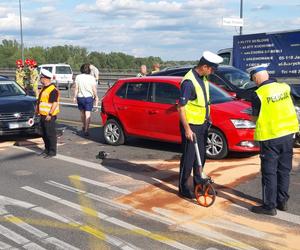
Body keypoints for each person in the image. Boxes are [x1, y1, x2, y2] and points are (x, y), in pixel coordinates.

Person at [247, 64, 299, 216]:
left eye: (253, 79)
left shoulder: (258, 94)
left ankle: (269, 206)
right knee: (284, 170)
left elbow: (255, 117)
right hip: (289, 134)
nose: (254, 82)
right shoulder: (284, 87)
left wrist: (250, 115)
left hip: (270, 137)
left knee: (269, 172)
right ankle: (282, 201)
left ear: (256, 77)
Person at [177, 51, 223, 199]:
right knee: (189, 159)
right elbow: (181, 107)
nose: (212, 72)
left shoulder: (203, 78)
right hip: (191, 126)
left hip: (202, 124)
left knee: (200, 157)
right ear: (204, 66)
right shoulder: (189, 82)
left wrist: (208, 117)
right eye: (212, 69)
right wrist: (187, 129)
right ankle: (183, 188)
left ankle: (199, 184)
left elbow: (204, 102)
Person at [36, 69, 60, 158]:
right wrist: (37, 111)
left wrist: (50, 114)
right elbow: (41, 101)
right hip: (42, 114)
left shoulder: (53, 90)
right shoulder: (44, 88)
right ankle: (46, 149)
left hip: (49, 116)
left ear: (45, 78)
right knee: (43, 133)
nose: (40, 79)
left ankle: (52, 151)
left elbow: (54, 103)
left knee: (50, 134)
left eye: (41, 77)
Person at [73, 63, 99, 136]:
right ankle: (87, 129)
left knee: (82, 113)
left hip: (80, 97)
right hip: (89, 97)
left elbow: (76, 88)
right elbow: (94, 89)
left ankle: (84, 125)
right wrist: (96, 96)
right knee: (88, 113)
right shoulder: (91, 78)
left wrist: (74, 97)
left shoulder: (78, 77)